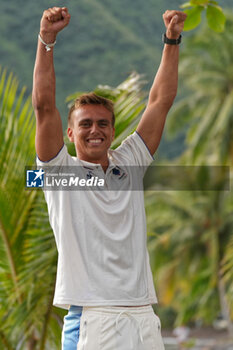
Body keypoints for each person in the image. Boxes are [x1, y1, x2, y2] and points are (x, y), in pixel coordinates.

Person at [32, 6, 186, 350]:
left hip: (143, 317)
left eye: (103, 124)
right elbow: (44, 106)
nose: (95, 130)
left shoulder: (129, 161)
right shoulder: (60, 172)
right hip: (94, 318)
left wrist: (171, 39)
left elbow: (161, 100)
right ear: (70, 133)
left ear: (113, 131)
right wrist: (47, 41)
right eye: (85, 124)